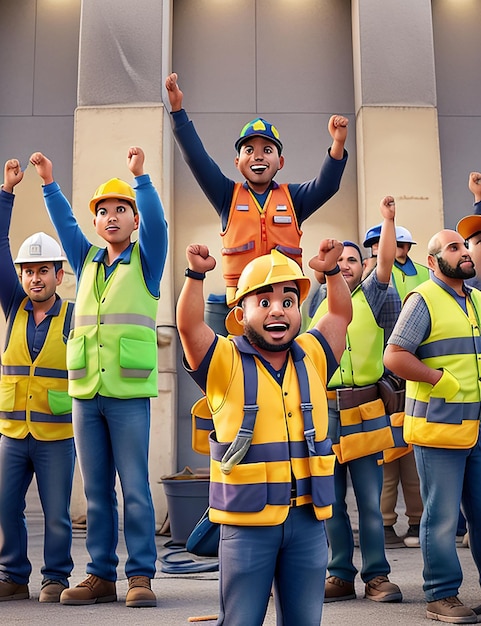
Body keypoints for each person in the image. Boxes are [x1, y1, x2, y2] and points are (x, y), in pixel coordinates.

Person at [177, 240, 352, 625]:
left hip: (307, 520)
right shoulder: (223, 360)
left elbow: (340, 314)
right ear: (240, 314)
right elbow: (189, 327)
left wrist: (332, 272)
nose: (278, 311)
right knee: (241, 620)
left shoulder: (314, 355)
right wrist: (195, 275)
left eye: (289, 302)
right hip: (246, 523)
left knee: (305, 620)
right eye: (264, 302)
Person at [29, 147, 168, 608]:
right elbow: (65, 225)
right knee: (95, 491)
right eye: (103, 212)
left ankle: (141, 576)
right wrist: (49, 182)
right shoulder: (85, 260)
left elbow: (160, 227)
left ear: (133, 220)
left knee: (134, 489)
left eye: (121, 210)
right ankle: (100, 574)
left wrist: (141, 180)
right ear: (96, 223)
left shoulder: (147, 261)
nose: (111, 218)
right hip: (86, 394)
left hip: (127, 394)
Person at [165, 72, 349, 304]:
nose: (258, 157)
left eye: (267, 150)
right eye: (249, 150)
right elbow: (196, 158)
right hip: (242, 304)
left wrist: (338, 143)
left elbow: (327, 185)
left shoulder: (293, 198)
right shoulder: (226, 196)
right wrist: (178, 111)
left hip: (283, 303)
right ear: (237, 162)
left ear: (280, 162)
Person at [383, 229, 481, 624]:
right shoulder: (423, 299)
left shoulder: (475, 300)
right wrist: (439, 379)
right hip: (438, 429)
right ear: (433, 261)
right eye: (452, 248)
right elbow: (394, 356)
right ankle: (441, 595)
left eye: (464, 246)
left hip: (475, 427)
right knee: (440, 517)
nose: (463, 252)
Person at [308, 196, 402, 604]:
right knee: (330, 500)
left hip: (365, 408)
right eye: (339, 260)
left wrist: (387, 220)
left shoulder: (374, 295)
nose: (345, 265)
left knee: (369, 498)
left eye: (352, 260)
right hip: (325, 409)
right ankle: (340, 574)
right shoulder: (312, 302)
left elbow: (384, 263)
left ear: (361, 266)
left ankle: (377, 576)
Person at [0, 159, 75, 603]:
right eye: (29, 271)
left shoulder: (72, 315)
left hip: (55, 433)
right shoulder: (13, 305)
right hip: (12, 431)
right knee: (7, 508)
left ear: (57, 275)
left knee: (56, 515)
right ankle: (12, 575)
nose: (34, 277)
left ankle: (55, 578)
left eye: (43, 270)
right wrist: (6, 193)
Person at [363, 223, 427, 549]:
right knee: (385, 457)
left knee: (412, 455)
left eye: (401, 245)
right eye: (382, 244)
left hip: (412, 372)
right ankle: (386, 523)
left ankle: (416, 520)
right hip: (381, 379)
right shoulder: (368, 281)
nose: (390, 249)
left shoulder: (425, 276)